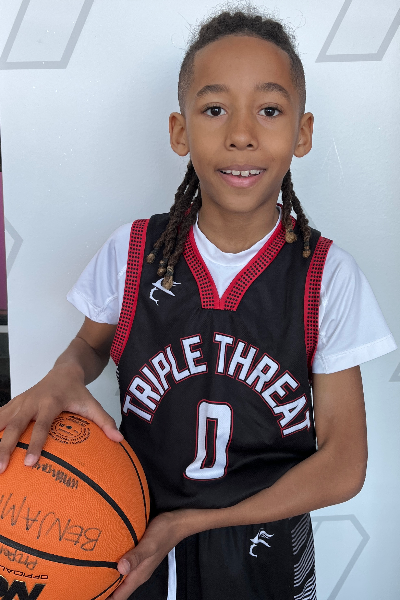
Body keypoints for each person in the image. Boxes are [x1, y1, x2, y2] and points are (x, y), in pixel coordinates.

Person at [0, 7, 396, 600]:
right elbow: (89, 345)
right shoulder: (133, 252)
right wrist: (64, 372)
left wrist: (193, 522)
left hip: (263, 551)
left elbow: (344, 464)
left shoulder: (326, 276)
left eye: (270, 110)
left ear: (303, 132)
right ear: (179, 131)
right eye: (214, 110)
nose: (241, 134)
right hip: (129, 539)